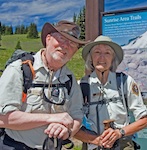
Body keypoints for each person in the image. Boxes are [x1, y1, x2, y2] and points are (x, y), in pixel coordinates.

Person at [0, 20, 89, 150]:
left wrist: (67, 132)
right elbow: (3, 119)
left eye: (72, 44)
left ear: (75, 51)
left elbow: (77, 116)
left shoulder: (69, 79)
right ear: (48, 39)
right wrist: (52, 118)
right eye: (61, 39)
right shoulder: (20, 69)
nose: (65, 46)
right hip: (15, 146)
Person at [74, 35, 147, 150]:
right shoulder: (81, 86)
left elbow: (143, 121)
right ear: (91, 58)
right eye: (97, 52)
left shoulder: (125, 82)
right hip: (93, 145)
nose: (102, 57)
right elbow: (72, 125)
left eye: (107, 53)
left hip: (123, 145)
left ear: (113, 59)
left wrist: (119, 133)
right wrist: (97, 140)